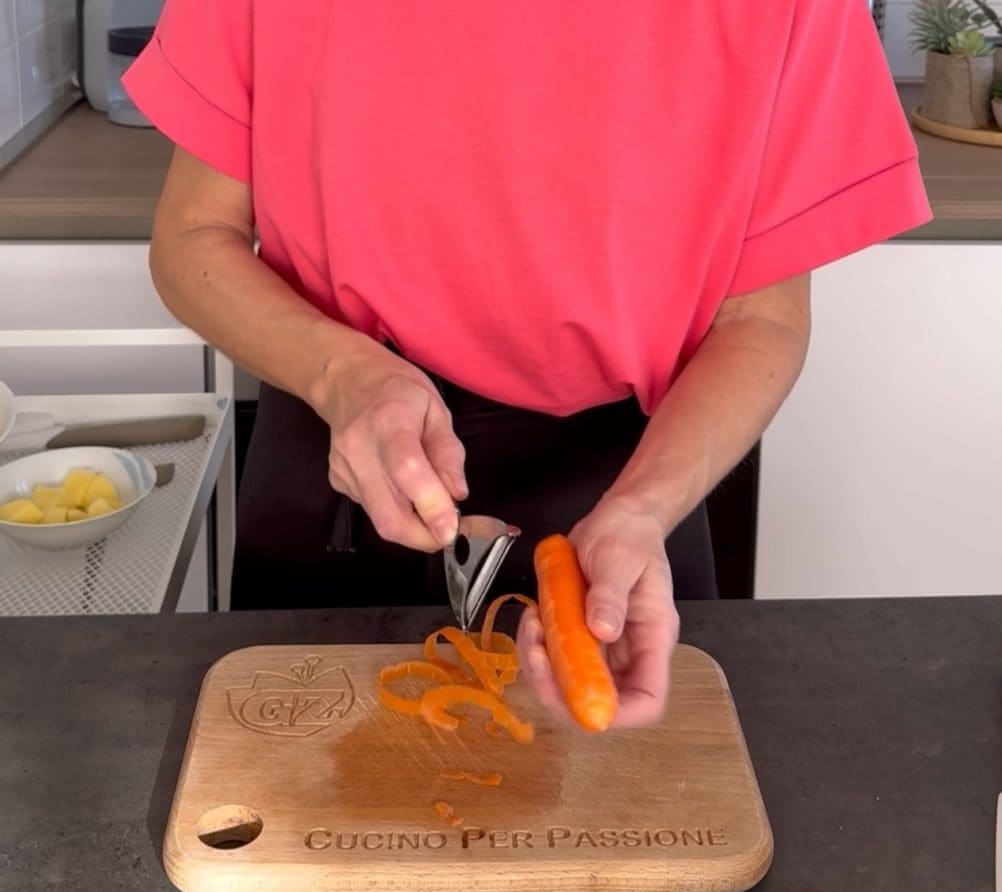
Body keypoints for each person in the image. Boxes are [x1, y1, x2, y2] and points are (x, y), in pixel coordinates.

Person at [124, 0, 931, 728]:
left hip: (632, 484)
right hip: (343, 455)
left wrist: (645, 509)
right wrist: (345, 376)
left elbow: (761, 319)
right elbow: (193, 240)